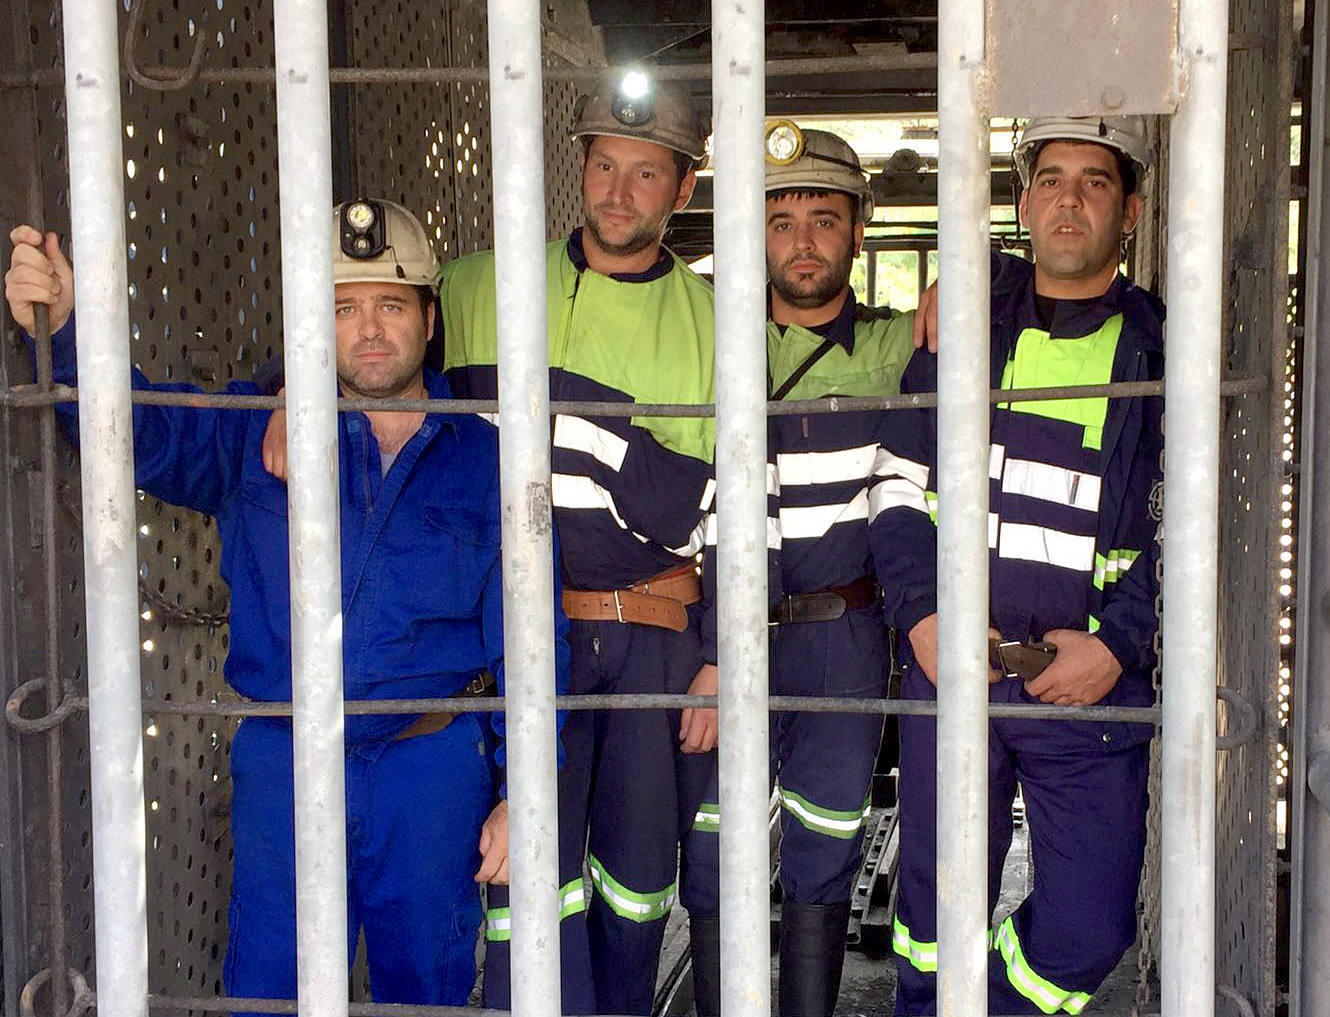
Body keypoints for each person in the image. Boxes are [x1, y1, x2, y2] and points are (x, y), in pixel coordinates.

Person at [3, 200, 568, 1010]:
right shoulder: (252, 433)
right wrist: (60, 330)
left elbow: (531, 637)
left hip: (430, 767)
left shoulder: (488, 458)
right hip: (285, 757)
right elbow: (138, 429)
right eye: (342, 307)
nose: (368, 329)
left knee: (430, 990)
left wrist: (525, 791)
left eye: (390, 304)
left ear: (429, 316)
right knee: (275, 991)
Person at [869, 115, 1163, 1016]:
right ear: (1025, 202)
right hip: (951, 671)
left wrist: (1119, 644)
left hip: (1084, 687)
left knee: (1088, 929)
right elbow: (896, 483)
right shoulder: (965, 321)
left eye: (1096, 181)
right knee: (931, 917)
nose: (1069, 198)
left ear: (1131, 211)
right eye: (1052, 178)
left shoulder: (1163, 350)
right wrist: (923, 617)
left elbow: (1184, 529)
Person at [683, 124, 914, 1017]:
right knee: (712, 847)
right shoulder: (711, 342)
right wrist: (709, 648)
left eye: (825, 218)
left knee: (824, 846)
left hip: (843, 641)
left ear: (860, 231)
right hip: (726, 640)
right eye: (781, 221)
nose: (803, 240)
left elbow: (1003, 304)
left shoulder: (896, 350)